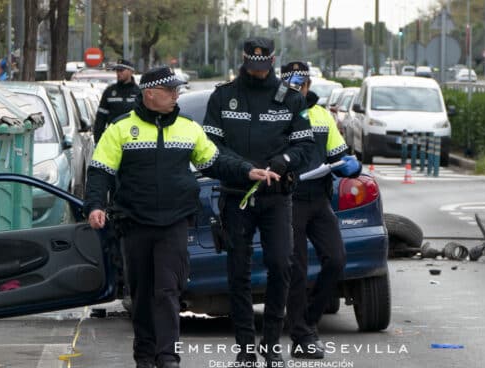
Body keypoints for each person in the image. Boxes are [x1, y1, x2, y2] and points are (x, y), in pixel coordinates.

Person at [84, 66, 278, 368]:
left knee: (167, 290)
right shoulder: (121, 128)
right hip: (135, 223)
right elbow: (100, 171)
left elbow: (214, 160)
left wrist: (245, 169)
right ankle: (145, 356)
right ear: (150, 93)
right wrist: (95, 205)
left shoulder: (188, 128)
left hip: (174, 223)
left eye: (177, 90)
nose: (176, 95)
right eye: (170, 91)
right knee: (143, 293)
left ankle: (168, 356)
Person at [203, 37, 314, 367]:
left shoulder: (290, 99)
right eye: (253, 64)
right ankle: (245, 348)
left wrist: (282, 161)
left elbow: (305, 147)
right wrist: (243, 168)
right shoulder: (223, 97)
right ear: (243, 59)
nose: (258, 70)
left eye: (264, 65)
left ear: (273, 60)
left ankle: (271, 344)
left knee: (281, 264)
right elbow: (211, 147)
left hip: (276, 197)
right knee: (238, 272)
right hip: (236, 196)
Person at [281, 61, 362, 360]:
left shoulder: (321, 116)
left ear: (308, 86)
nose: (296, 89)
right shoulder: (275, 116)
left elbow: (338, 154)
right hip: (288, 200)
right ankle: (303, 335)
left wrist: (351, 167)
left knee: (337, 259)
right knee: (297, 269)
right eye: (290, 84)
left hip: (318, 199)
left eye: (300, 84)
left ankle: (307, 319)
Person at [93, 58, 141, 143]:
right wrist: (98, 141)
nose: (118, 73)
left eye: (121, 70)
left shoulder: (139, 92)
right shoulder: (109, 92)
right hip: (114, 138)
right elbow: (100, 119)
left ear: (130, 71)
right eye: (117, 71)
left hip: (134, 138)